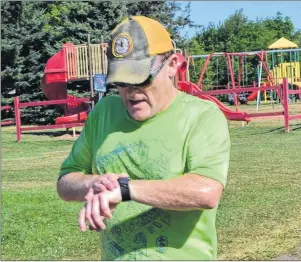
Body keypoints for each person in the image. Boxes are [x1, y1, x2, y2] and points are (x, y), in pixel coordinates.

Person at [57, 15, 230, 261]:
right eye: (121, 82)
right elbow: (65, 182)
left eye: (142, 79)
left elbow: (206, 191)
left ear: (172, 65)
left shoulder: (201, 116)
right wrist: (94, 184)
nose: (131, 91)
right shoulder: (104, 113)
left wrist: (125, 189)